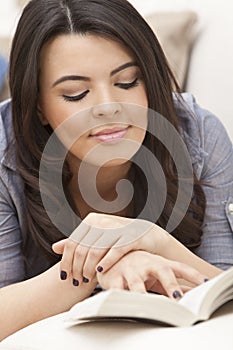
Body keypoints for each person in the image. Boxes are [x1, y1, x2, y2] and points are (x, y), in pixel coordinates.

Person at [0, 0, 232, 341]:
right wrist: (101, 262)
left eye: (127, 82)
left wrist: (153, 242)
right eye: (76, 94)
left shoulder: (198, 134)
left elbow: (223, 286)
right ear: (38, 105)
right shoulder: (5, 151)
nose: (108, 107)